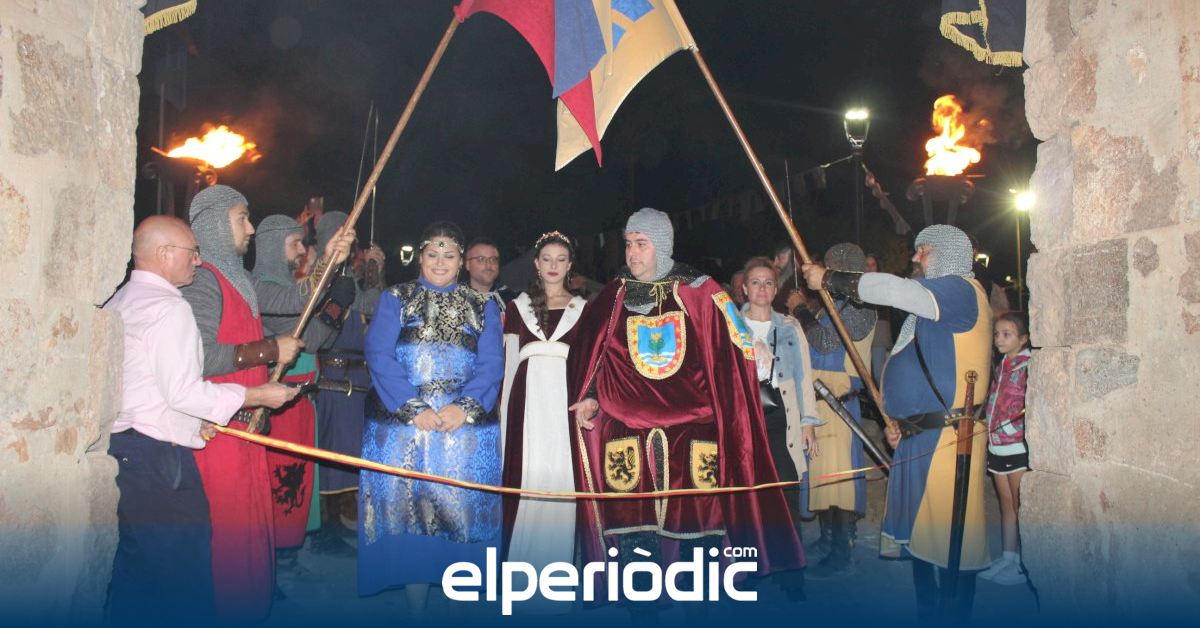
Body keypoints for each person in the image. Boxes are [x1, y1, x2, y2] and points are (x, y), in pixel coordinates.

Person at [568, 208, 804, 611]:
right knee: (635, 533)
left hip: (693, 431)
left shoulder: (700, 290)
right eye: (628, 244)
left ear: (661, 245)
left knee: (700, 531)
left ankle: (702, 608)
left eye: (641, 244)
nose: (632, 253)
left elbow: (734, 342)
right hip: (628, 431)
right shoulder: (614, 294)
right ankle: (644, 612)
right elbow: (594, 354)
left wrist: (753, 350)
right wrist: (589, 393)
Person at [105, 216, 299, 624]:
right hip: (160, 460)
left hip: (128, 452)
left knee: (139, 574)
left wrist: (192, 423)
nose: (198, 260)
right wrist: (255, 395)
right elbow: (184, 391)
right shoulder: (169, 308)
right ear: (164, 254)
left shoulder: (121, 299)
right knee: (185, 575)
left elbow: (146, 386)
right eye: (191, 252)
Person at [180, 185, 354, 621]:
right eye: (242, 217)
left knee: (253, 532)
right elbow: (200, 357)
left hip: (248, 429)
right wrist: (270, 350)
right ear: (216, 223)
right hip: (218, 431)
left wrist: (330, 257)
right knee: (228, 540)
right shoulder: (203, 281)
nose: (251, 228)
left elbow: (297, 298)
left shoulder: (243, 281)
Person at [802, 224, 992, 622]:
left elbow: (893, 289)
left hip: (948, 438)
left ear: (946, 253)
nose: (914, 257)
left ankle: (953, 618)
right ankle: (928, 615)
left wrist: (831, 279)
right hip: (922, 435)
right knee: (922, 538)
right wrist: (902, 424)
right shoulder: (934, 306)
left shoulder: (960, 290)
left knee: (953, 543)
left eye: (923, 250)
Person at [359, 221, 504, 611]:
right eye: (432, 254)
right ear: (420, 257)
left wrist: (465, 407)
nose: (440, 262)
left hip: (464, 431)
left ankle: (462, 605)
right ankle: (417, 611)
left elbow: (492, 364)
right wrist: (413, 408)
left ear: (461, 261)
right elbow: (378, 354)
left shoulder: (484, 305)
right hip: (404, 429)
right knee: (410, 516)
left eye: (449, 255)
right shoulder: (396, 298)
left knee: (462, 514)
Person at [251, 214, 354, 580]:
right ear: (272, 245)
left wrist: (334, 308)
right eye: (294, 243)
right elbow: (305, 338)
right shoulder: (260, 287)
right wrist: (334, 306)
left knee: (299, 483)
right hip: (278, 403)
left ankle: (288, 557)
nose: (300, 250)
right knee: (283, 481)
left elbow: (320, 336)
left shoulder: (287, 285)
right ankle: (275, 565)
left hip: (301, 401)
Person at [498, 231, 588, 612]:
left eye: (560, 259)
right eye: (546, 259)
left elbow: (589, 364)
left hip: (564, 405)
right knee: (528, 480)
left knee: (561, 483)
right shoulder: (517, 307)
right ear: (536, 264)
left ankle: (556, 582)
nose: (553, 266)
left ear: (570, 266)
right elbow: (508, 365)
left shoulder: (584, 309)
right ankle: (519, 582)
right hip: (527, 405)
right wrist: (503, 418)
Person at [739, 256, 822, 601]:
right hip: (744, 419)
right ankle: (750, 569)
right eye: (755, 282)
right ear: (744, 288)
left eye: (769, 282)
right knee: (747, 498)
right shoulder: (729, 327)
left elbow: (804, 376)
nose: (762, 288)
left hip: (782, 417)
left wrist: (808, 422)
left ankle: (791, 574)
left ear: (776, 289)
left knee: (786, 495)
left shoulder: (790, 326)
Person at [800, 243, 876, 579]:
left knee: (839, 481)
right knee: (823, 478)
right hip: (820, 402)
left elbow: (825, 342)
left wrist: (799, 309)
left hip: (838, 403)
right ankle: (828, 538)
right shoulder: (832, 306)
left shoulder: (859, 307)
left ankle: (842, 550)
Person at [312, 211, 386, 552]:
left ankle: (337, 525)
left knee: (349, 454)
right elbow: (361, 303)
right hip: (334, 379)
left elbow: (375, 306)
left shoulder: (348, 278)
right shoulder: (321, 277)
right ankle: (325, 530)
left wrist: (375, 272)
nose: (353, 247)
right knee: (331, 455)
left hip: (356, 381)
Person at [977, 312, 1031, 586]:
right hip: (997, 446)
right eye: (997, 334)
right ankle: (1009, 557)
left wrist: (1009, 430)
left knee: (1021, 505)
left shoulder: (1027, 366)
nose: (999, 339)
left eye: (1007, 334)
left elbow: (1024, 407)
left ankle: (1023, 564)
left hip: (1015, 446)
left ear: (1023, 339)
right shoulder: (1001, 366)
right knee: (1006, 504)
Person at [464, 236, 516, 312]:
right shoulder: (455, 300)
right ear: (467, 265)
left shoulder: (512, 300)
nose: (488, 265)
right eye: (481, 259)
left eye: (493, 259)